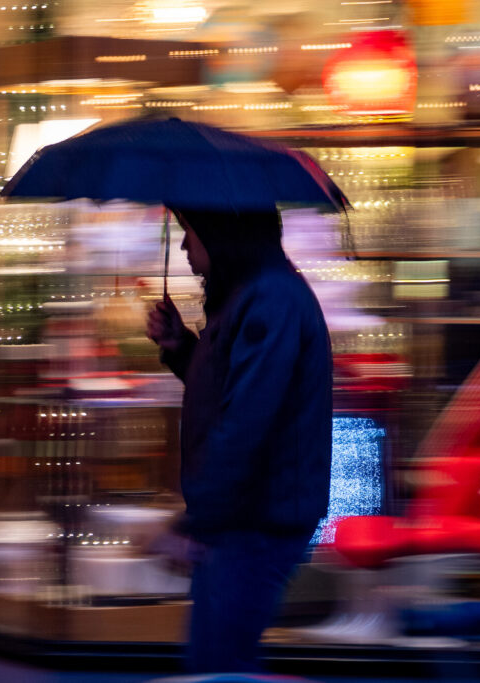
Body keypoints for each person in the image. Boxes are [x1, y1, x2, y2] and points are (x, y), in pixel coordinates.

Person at [146, 207, 333, 673]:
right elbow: (230, 392)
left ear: (221, 231)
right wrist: (182, 348)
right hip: (243, 517)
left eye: (191, 233)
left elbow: (247, 420)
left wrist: (194, 522)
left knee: (220, 666)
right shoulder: (250, 294)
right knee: (218, 662)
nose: (187, 247)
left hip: (254, 522)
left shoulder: (269, 298)